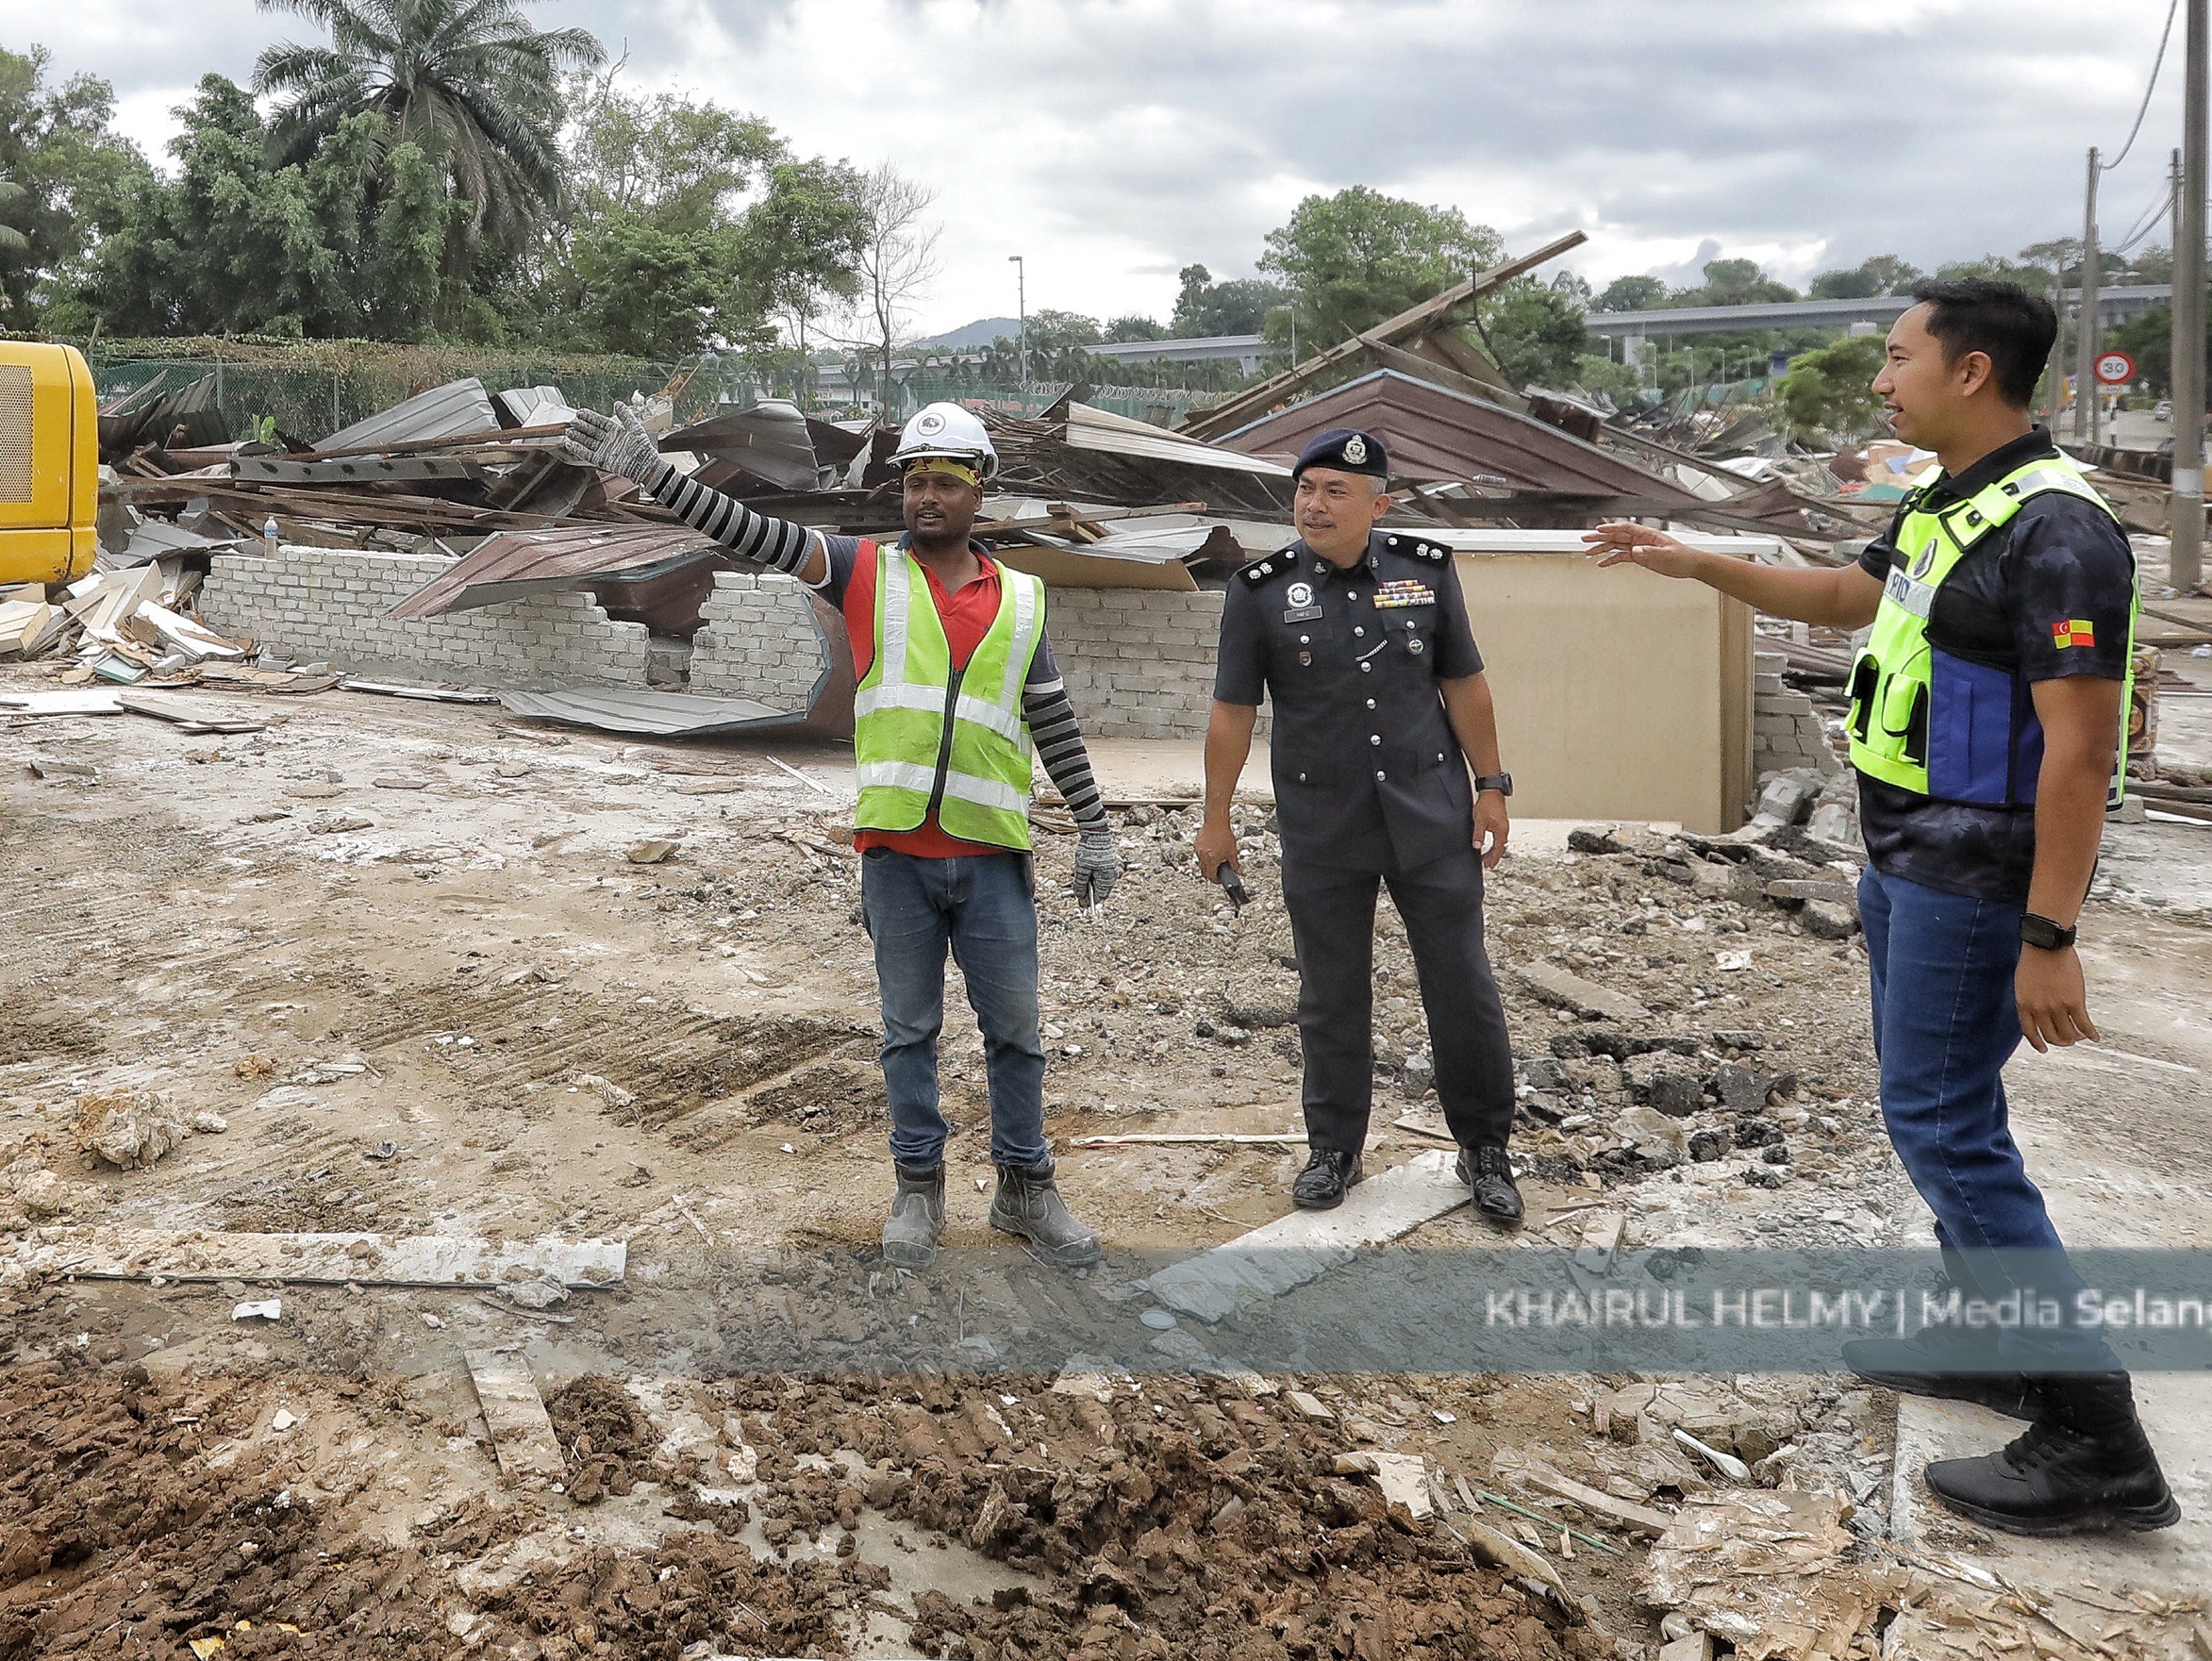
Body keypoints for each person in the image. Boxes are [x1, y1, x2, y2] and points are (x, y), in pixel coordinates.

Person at [1588, 278, 2172, 1537]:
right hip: (1905, 858)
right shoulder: (1948, 501)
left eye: (1899, 358)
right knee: (1940, 1117)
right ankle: (2001, 1344)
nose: (1880, 379)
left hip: (1977, 883)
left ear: (1971, 372)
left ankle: (2096, 1439)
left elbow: (2080, 752)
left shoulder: (2059, 530)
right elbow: (1854, 602)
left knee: (1947, 1129)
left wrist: (2051, 936)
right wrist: (1694, 560)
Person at [568, 401, 1123, 1271]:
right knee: (908, 1031)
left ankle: (1026, 1187)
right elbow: (752, 531)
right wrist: (655, 476)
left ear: (983, 492)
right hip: (897, 855)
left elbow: (1049, 716)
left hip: (992, 858)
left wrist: (1093, 825)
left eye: (947, 481)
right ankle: (918, 1191)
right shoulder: (865, 571)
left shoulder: (1021, 599)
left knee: (1015, 1033)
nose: (927, 496)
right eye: (914, 480)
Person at [1194, 425, 1523, 1227]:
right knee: (1331, 992)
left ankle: (1484, 1148)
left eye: (1335, 491)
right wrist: (1215, 818)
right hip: (1322, 823)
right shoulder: (1261, 590)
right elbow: (1233, 711)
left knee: (1462, 985)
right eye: (1305, 489)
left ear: (1379, 503)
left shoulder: (1427, 573)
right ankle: (1332, 1148)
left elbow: (1465, 685)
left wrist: (1492, 787)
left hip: (1431, 816)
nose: (1314, 503)